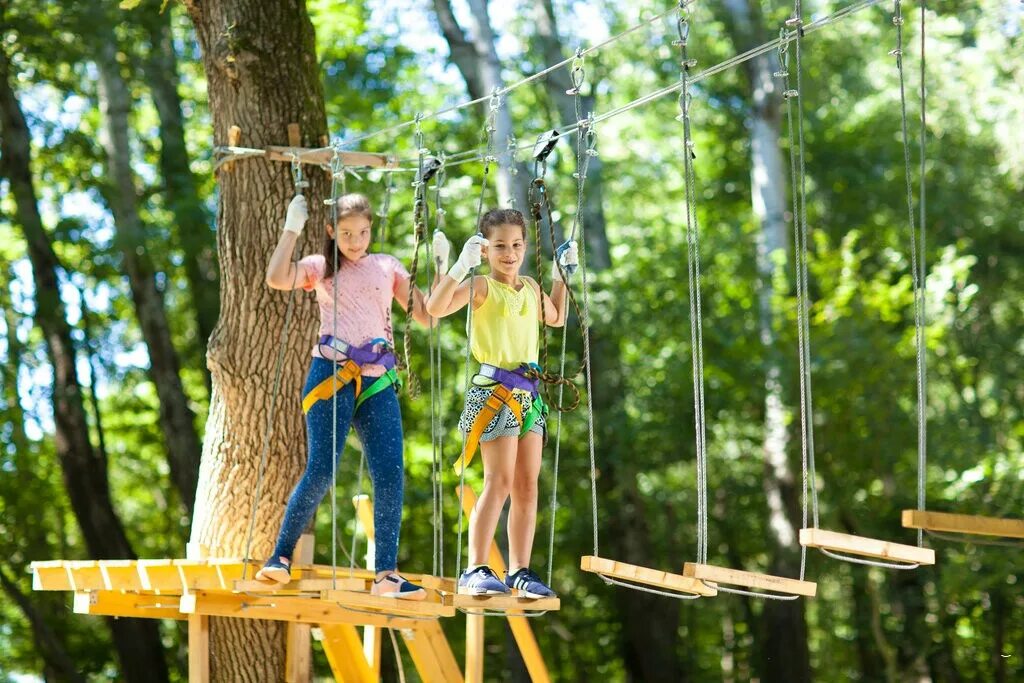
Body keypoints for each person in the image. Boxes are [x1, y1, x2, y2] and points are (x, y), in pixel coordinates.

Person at [256, 192, 433, 600]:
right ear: (332, 232)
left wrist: (446, 266)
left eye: (363, 232)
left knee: (390, 474)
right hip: (331, 374)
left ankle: (386, 574)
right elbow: (277, 278)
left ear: (372, 229)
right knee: (321, 468)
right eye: (347, 233)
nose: (356, 241)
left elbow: (425, 314)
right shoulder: (321, 267)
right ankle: (280, 557)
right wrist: (291, 228)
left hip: (377, 379)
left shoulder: (386, 266)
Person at [425, 208, 577, 598]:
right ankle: (475, 566)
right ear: (486, 250)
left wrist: (562, 273)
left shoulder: (528, 285)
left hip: (529, 398)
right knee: (500, 480)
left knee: (528, 486)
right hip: (494, 393)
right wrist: (460, 267)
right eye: (499, 246)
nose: (509, 252)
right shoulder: (480, 287)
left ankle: (519, 571)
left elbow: (557, 317)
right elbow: (435, 308)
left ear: (525, 246)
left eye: (516, 244)